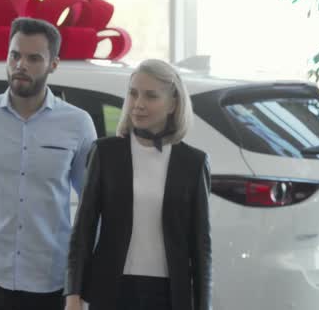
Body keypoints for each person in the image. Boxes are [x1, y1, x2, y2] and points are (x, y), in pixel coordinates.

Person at [0, 17, 97, 310]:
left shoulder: (78, 124)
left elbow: (92, 207)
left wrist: (84, 281)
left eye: (34, 58)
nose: (21, 65)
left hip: (51, 283)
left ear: (54, 64)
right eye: (15, 55)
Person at [65, 59, 212, 310]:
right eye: (133, 94)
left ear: (173, 104)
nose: (138, 104)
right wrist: (73, 294)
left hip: (169, 295)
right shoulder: (105, 153)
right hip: (111, 289)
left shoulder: (194, 163)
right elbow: (83, 230)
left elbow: (201, 248)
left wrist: (203, 305)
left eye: (151, 96)